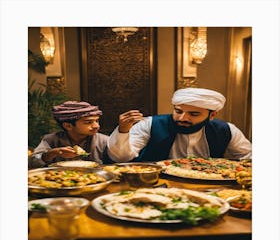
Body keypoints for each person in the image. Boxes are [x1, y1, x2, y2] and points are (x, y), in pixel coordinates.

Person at [107, 88, 252, 162]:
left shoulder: (226, 130)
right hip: (157, 185)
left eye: (193, 114)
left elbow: (249, 156)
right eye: (178, 111)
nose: (183, 118)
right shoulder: (150, 124)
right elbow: (121, 158)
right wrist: (123, 130)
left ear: (212, 115)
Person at [29, 101, 109, 168]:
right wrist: (52, 153)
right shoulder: (50, 140)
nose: (97, 126)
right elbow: (32, 163)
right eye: (88, 122)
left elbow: (115, 164)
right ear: (68, 126)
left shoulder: (104, 140)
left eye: (97, 121)